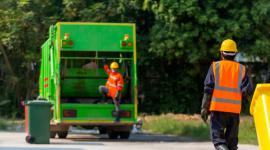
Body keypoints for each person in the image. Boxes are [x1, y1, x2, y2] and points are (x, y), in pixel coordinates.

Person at [200, 39, 254, 150]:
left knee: (219, 141)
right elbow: (248, 92)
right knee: (232, 144)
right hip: (234, 111)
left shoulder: (215, 66)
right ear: (235, 54)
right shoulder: (241, 69)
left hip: (218, 109)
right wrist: (254, 107)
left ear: (221, 53)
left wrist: (204, 107)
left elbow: (208, 89)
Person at [99, 58, 124, 122]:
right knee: (101, 88)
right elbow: (106, 69)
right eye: (112, 68)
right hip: (109, 90)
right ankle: (104, 101)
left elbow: (120, 86)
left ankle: (117, 119)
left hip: (115, 93)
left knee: (117, 105)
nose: (113, 69)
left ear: (117, 68)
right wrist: (104, 63)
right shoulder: (110, 73)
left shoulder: (119, 76)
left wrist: (118, 94)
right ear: (111, 68)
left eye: (115, 68)